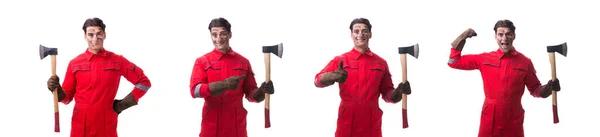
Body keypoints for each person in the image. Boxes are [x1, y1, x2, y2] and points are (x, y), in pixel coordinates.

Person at [447, 19, 562, 137]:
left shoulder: (525, 62)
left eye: (508, 34)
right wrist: (463, 37)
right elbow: (453, 61)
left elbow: (535, 90)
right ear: (495, 36)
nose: (504, 38)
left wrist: (549, 88)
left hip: (513, 120)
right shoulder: (485, 59)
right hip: (490, 120)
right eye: (500, 34)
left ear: (514, 36)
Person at [46, 17, 152, 137]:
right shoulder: (75, 63)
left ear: (104, 35)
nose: (95, 38)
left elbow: (144, 82)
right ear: (85, 36)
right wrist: (58, 90)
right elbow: (67, 99)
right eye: (91, 34)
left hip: (106, 123)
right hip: (81, 124)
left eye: (99, 34)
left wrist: (122, 104)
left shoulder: (117, 61)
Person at [313, 18, 412, 137]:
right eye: (356, 31)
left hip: (371, 123)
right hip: (347, 121)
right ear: (351, 35)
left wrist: (398, 93)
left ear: (370, 35)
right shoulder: (341, 60)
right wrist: (331, 76)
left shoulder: (380, 63)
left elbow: (387, 94)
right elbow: (317, 81)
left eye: (365, 31)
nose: (360, 34)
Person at [189, 17, 275, 137]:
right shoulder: (202, 62)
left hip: (236, 129)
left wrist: (262, 91)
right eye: (214, 35)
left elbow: (251, 94)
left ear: (230, 35)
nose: (218, 39)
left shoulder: (243, 62)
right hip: (211, 128)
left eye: (223, 34)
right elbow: (195, 91)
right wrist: (225, 85)